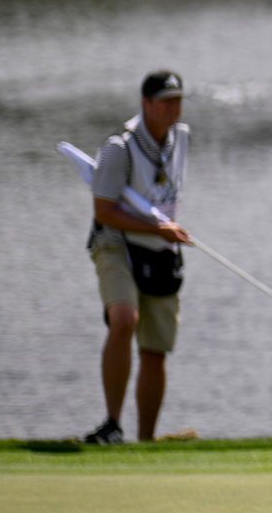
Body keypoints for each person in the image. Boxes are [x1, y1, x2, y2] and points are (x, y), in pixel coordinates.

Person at [83, 70, 194, 444]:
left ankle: (146, 443)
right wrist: (157, 229)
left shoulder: (181, 138)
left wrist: (163, 233)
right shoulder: (119, 148)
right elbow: (105, 211)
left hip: (161, 249)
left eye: (177, 100)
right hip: (115, 242)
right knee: (125, 319)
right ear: (145, 104)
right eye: (165, 101)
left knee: (156, 349)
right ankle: (113, 425)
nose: (172, 108)